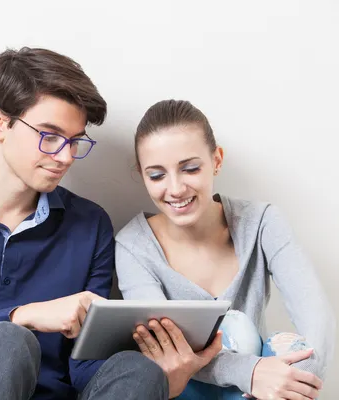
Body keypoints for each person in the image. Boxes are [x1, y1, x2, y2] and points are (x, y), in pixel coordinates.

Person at [0, 48, 219, 400]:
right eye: (50, 136)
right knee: (7, 340)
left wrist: (161, 372)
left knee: (138, 369)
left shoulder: (90, 225)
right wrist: (21, 316)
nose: (66, 156)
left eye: (74, 141)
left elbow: (83, 367)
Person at [115, 99, 336, 399]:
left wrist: (297, 381)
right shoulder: (132, 246)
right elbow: (166, 350)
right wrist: (250, 372)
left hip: (262, 392)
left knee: (288, 346)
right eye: (157, 175)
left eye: (190, 168)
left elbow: (315, 318)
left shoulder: (262, 223)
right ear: (142, 175)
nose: (176, 188)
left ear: (217, 160)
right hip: (184, 390)